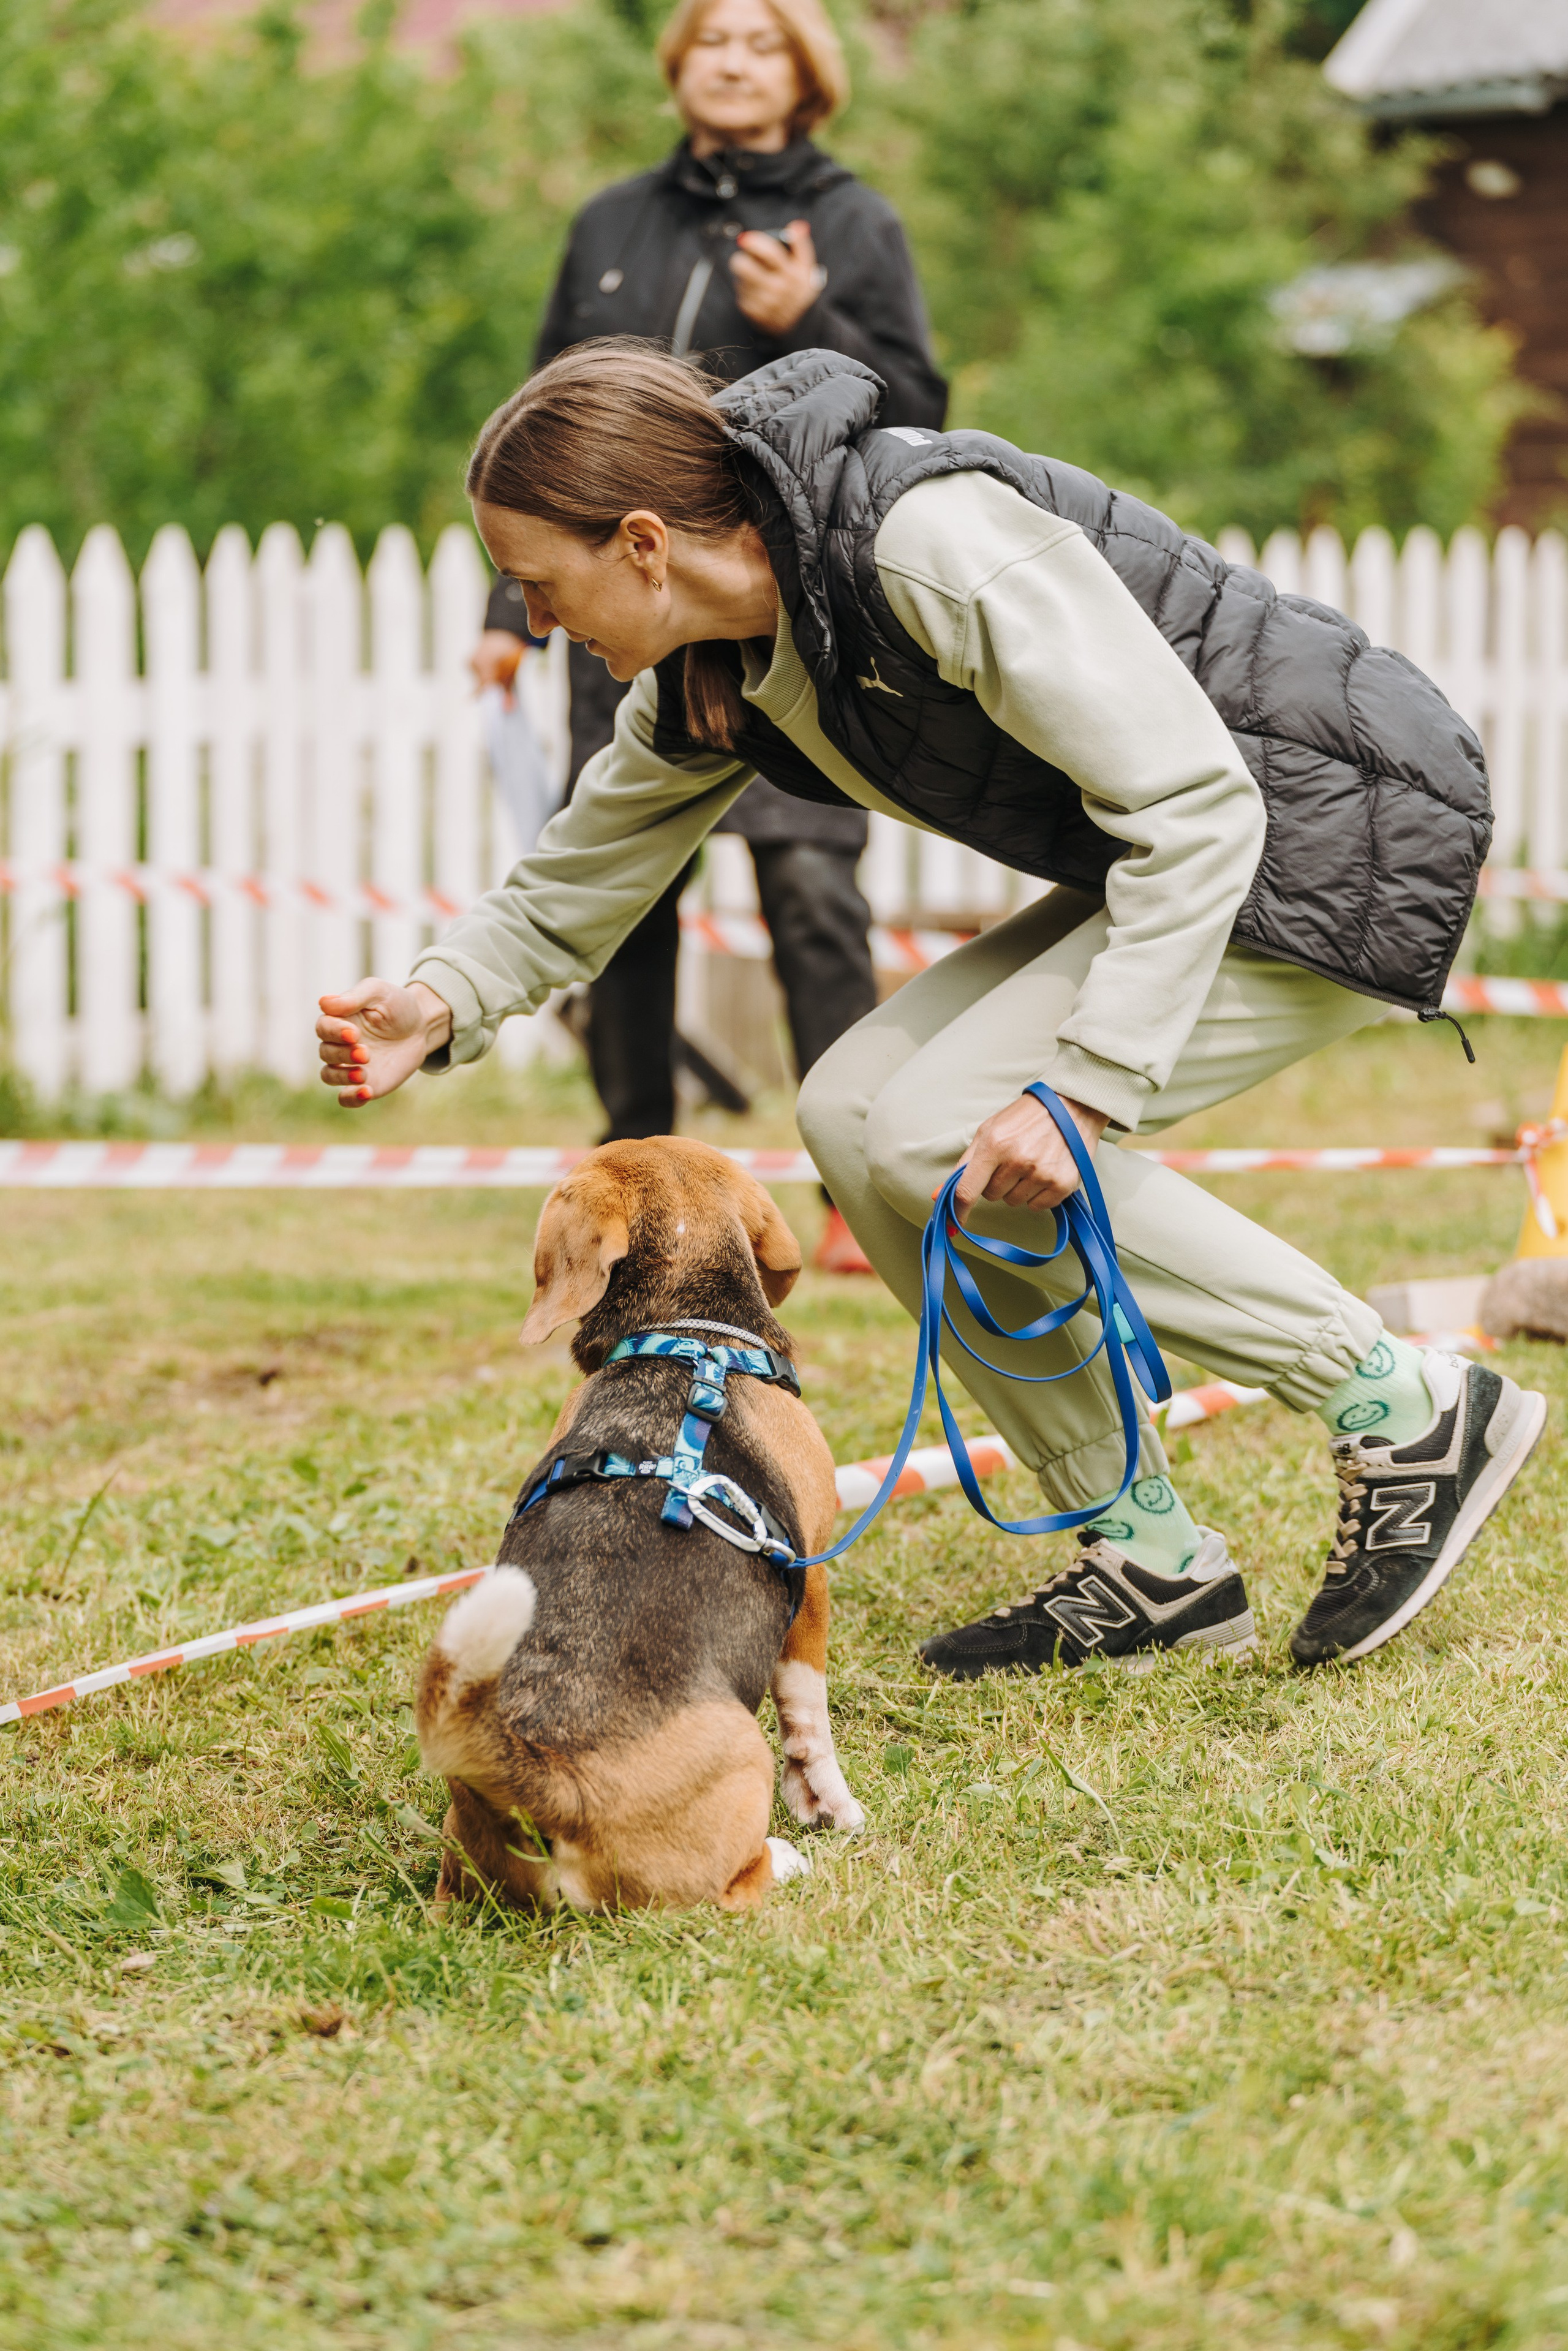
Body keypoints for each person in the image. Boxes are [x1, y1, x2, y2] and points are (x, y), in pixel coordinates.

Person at [317, 341, 1544, 1675]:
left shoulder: (919, 539)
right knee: (854, 1114)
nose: (537, 620)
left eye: (540, 582)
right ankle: (1143, 1552)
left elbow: (1196, 804)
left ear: (644, 542)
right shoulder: (714, 667)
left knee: (939, 1128)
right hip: (1176, 850)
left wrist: (1080, 1089)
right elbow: (582, 871)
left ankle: (1402, 1400)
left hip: (1327, 838)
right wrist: (437, 999)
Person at [470, 0, 947, 1269]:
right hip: (619, 617)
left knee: (807, 892)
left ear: (805, 74)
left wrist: (810, 318)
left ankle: (852, 1193)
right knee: (623, 895)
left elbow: (913, 415)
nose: (733, 61)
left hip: (772, 614)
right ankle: (632, 1183)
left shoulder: (850, 224)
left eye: (762, 42)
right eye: (713, 40)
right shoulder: (609, 222)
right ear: (678, 67)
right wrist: (502, 617)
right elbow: (534, 431)